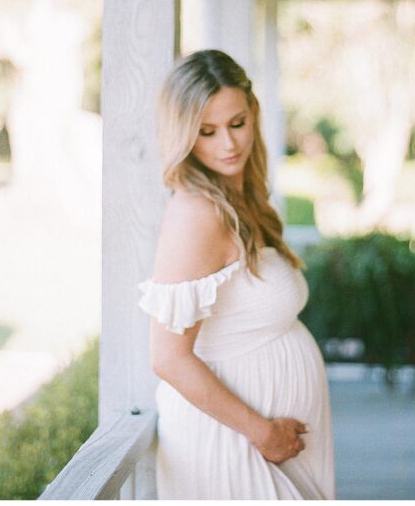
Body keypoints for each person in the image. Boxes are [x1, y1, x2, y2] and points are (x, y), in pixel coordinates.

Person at [137, 49, 334, 499]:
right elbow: (168, 357)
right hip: (232, 443)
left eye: (237, 123)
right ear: (184, 134)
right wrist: (263, 432)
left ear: (253, 113)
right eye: (207, 132)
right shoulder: (196, 213)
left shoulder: (245, 199)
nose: (228, 144)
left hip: (264, 442)